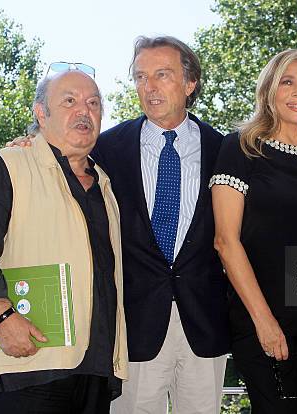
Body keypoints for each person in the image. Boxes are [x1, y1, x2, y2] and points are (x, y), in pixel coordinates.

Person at [0, 67, 129, 413]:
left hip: (93, 370)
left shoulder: (105, 183)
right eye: (69, 101)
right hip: (23, 365)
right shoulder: (7, 165)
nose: (84, 111)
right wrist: (2, 319)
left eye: (94, 103)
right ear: (40, 113)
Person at [211, 49, 297, 413]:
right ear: (269, 90)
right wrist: (265, 321)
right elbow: (226, 242)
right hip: (263, 320)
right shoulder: (241, 147)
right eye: (287, 82)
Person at [94, 37, 229, 414]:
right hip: (133, 328)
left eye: (162, 75)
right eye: (140, 77)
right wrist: (30, 142)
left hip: (205, 325)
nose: (149, 87)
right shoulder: (105, 150)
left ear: (190, 83)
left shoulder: (226, 151)